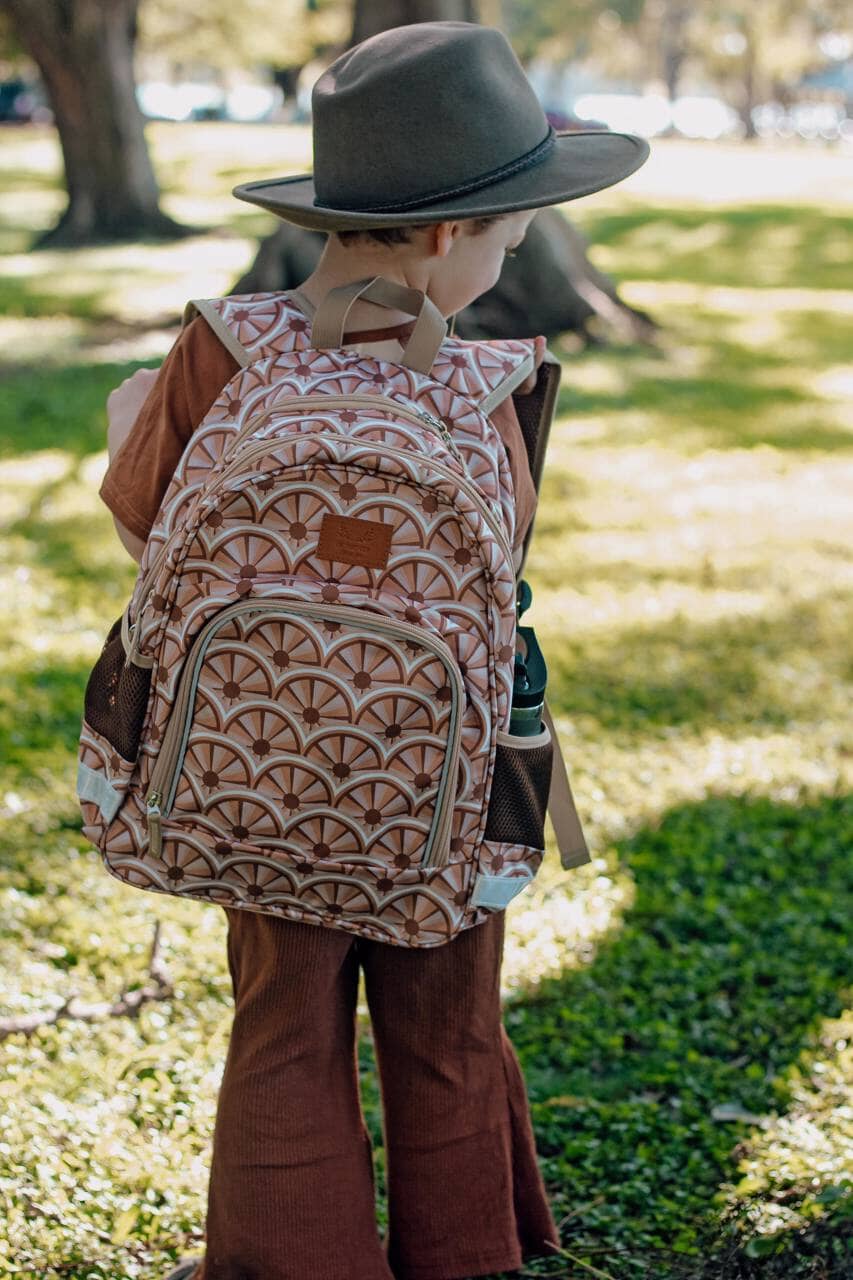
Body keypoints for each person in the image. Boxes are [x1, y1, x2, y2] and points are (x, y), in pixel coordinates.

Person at [100, 21, 648, 1280]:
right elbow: (489, 561)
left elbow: (149, 527)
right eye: (509, 239)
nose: (505, 264)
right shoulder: (495, 381)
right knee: (448, 1024)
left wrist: (133, 425)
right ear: (451, 233)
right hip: (440, 784)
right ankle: (465, 1258)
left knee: (284, 1024)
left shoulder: (220, 349)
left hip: (255, 767)